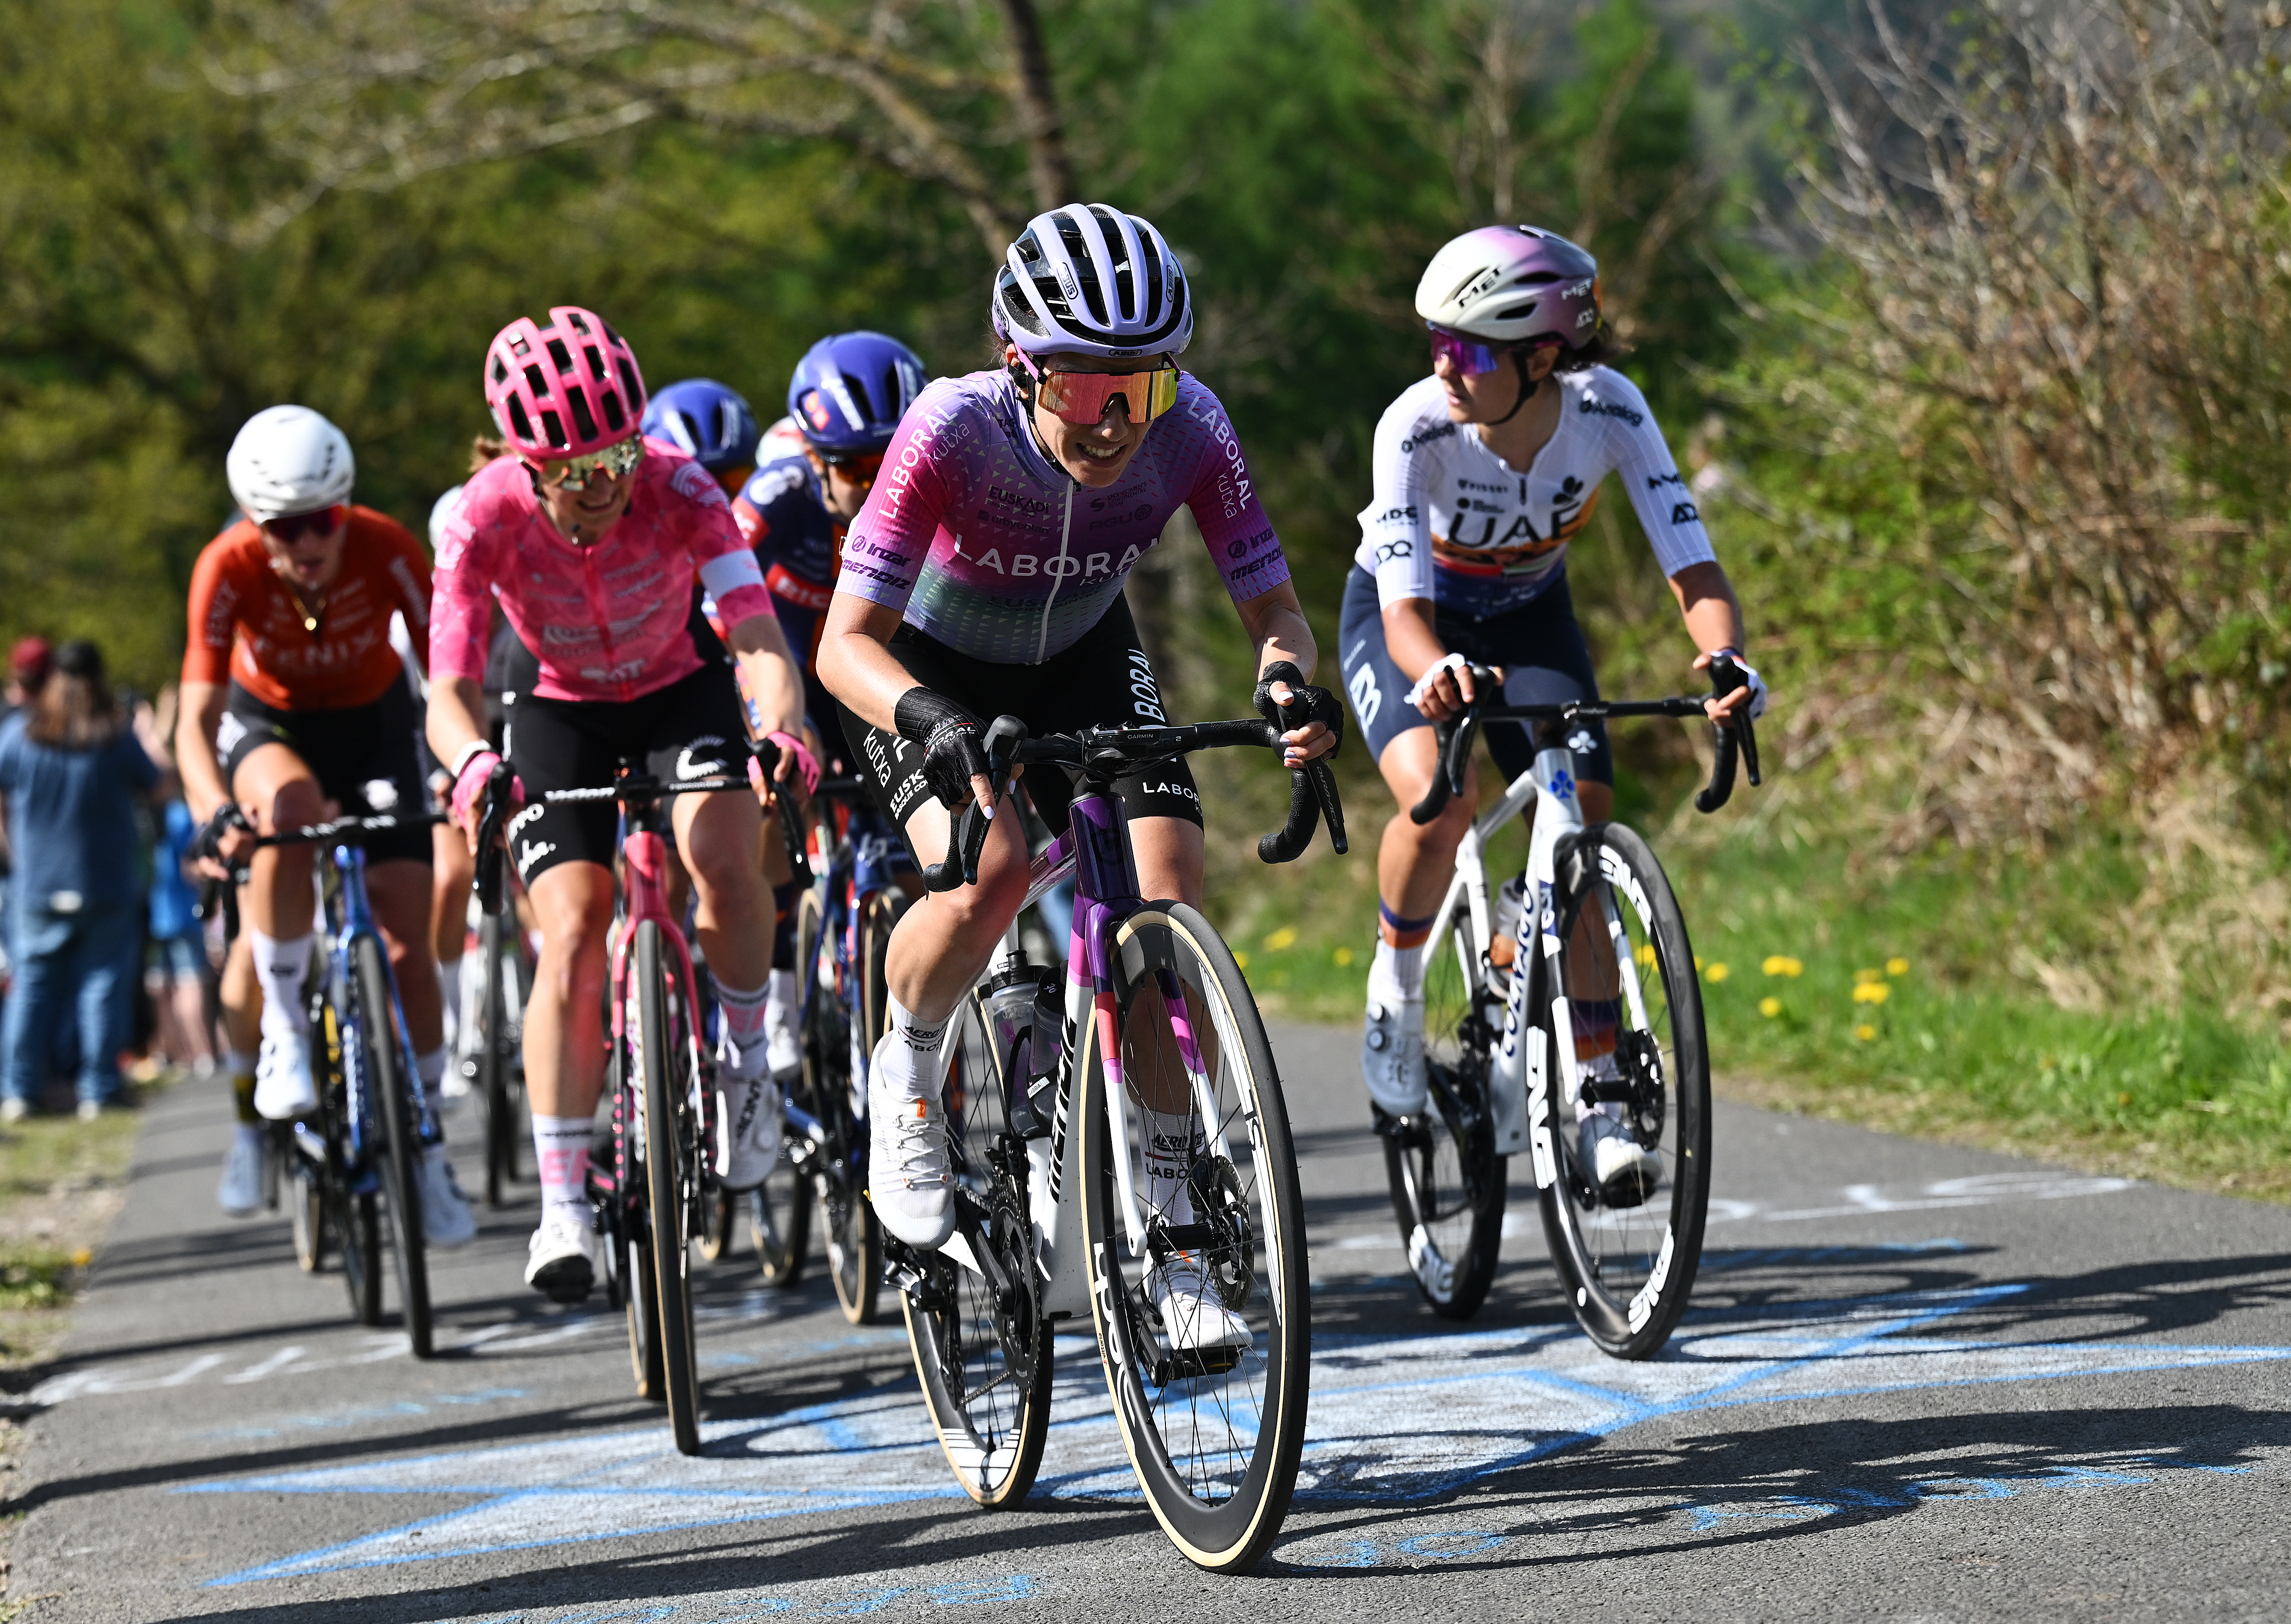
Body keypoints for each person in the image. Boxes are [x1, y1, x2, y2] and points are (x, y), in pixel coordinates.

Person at [814, 203, 1340, 1353]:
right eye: (1084, 389)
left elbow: (1275, 608)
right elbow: (843, 640)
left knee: (1166, 903)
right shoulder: (951, 430)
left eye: (1138, 390)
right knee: (993, 862)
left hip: (1090, 654)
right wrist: (927, 719)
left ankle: (1172, 1232)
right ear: (1020, 366)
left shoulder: (1193, 425)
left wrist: (1288, 683)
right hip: (936, 670)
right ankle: (903, 1071)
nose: (1114, 424)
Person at [1338, 224, 1766, 1201]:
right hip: (1410, 618)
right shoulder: (1416, 426)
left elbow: (1690, 562)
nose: (1446, 364)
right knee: (1441, 805)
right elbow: (1403, 614)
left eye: (1473, 349)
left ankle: (1602, 1089)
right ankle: (1394, 993)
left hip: (1531, 617)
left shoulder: (1608, 411)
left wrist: (1723, 656)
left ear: (1544, 359)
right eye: (1438, 340)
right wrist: (1437, 669)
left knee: (1583, 816)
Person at [425, 305, 814, 1304]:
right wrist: (471, 762)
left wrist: (780, 730)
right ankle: (563, 1203)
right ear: (527, 464)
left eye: (617, 458)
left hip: (678, 689)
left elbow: (756, 635)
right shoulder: (482, 516)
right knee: (570, 928)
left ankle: (741, 1065)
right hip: (557, 709)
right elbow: (450, 687)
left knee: (724, 859)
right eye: (575, 471)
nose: (604, 486)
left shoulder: (680, 485)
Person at [177, 404, 476, 1246]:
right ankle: (281, 1036)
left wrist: (464, 759)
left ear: (345, 507)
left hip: (375, 723)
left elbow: (448, 672)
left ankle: (423, 1150)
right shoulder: (228, 564)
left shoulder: (387, 546)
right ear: (253, 521)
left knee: (410, 945)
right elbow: (193, 724)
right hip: (268, 724)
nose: (306, 545)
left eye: (323, 522)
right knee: (287, 812)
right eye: (284, 527)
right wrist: (213, 813)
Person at [732, 336, 929, 1077]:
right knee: (776, 785)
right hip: (788, 655)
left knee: (920, 870)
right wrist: (777, 724)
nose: (880, 484)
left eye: (892, 461)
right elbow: (732, 621)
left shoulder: (933, 485)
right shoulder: (772, 500)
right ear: (813, 460)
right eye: (854, 468)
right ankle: (779, 976)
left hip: (877, 661)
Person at [0, 642, 162, 1121]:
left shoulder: (20, 734)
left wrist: (10, 851)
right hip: (104, 882)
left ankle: (20, 1090)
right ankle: (99, 1088)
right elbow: (158, 784)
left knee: (34, 985)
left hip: (38, 882)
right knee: (102, 984)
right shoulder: (113, 735)